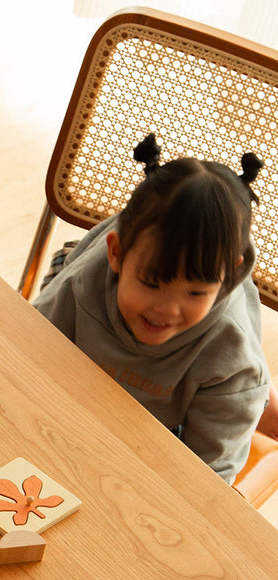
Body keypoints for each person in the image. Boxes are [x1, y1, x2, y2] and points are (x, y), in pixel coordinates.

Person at [34, 134, 271, 483]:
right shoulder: (84, 279)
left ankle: (265, 404)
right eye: (152, 283)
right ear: (116, 254)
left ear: (228, 275)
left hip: (167, 424)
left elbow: (206, 475)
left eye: (195, 292)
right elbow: (28, 347)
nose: (168, 310)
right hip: (73, 378)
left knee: (242, 398)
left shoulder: (232, 356)